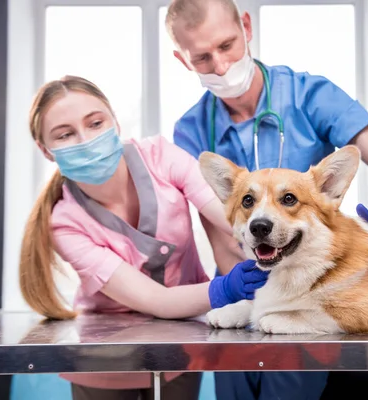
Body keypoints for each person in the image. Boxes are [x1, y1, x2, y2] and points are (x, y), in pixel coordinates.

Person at [164, 0, 368, 398]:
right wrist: (249, 297)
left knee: (290, 375)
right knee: (233, 372)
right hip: (258, 284)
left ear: (246, 25)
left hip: (312, 287)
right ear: (182, 59)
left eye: (226, 45)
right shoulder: (191, 130)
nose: (221, 66)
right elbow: (225, 235)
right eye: (203, 57)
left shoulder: (310, 95)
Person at [18, 75, 269, 400]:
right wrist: (226, 287)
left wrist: (291, 238)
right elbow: (156, 300)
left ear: (114, 121)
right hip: (104, 360)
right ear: (46, 150)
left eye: (95, 123)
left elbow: (230, 216)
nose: (85, 140)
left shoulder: (162, 156)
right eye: (65, 134)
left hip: (180, 348)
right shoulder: (65, 224)